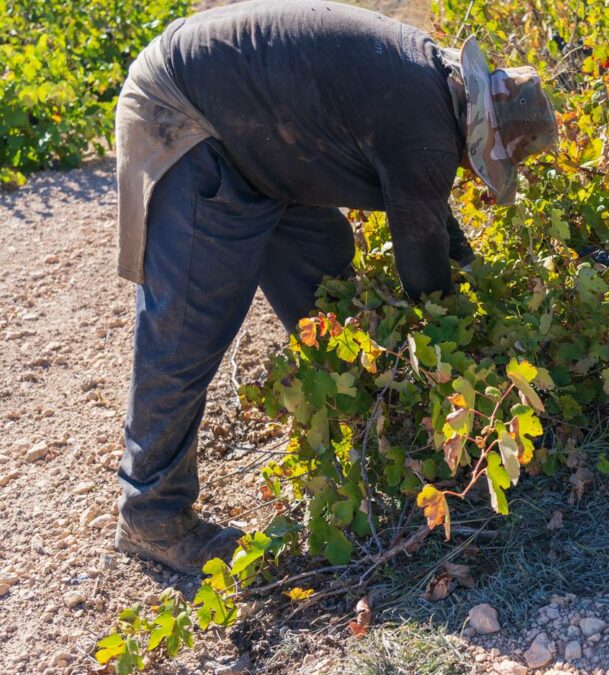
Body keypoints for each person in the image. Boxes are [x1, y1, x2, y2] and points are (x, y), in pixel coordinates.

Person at [112, 0, 558, 574]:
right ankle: (152, 518)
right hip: (190, 114)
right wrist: (460, 348)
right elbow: (424, 265)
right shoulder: (422, 127)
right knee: (186, 334)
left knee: (326, 290)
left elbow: (427, 208)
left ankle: (366, 432)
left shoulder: (430, 86)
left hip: (259, 136)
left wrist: (470, 272)